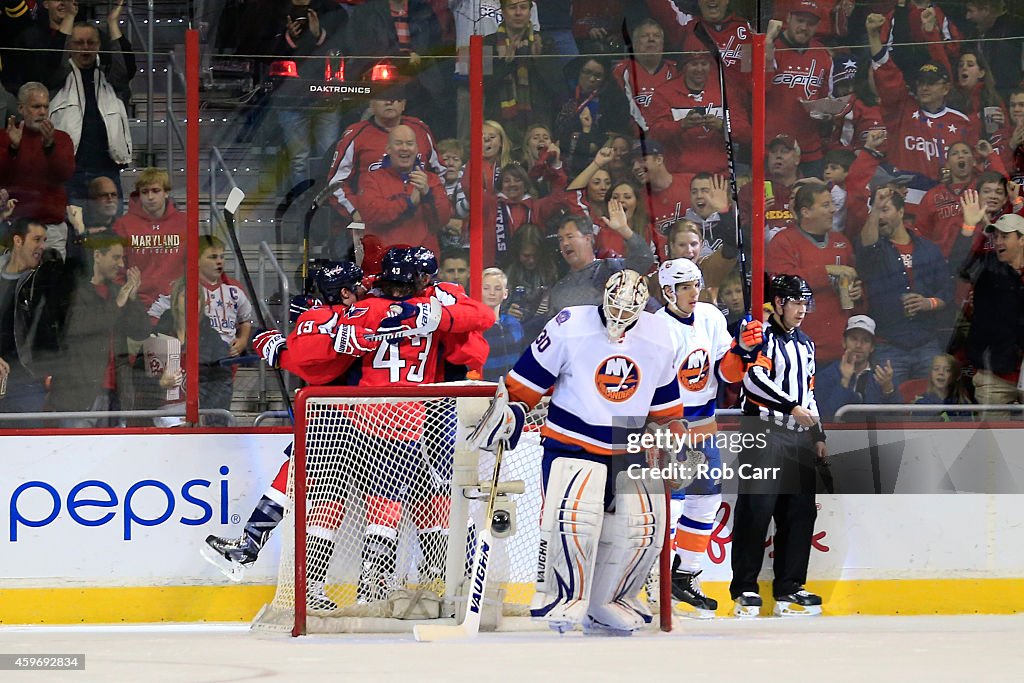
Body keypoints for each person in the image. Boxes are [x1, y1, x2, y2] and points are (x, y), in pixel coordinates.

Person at [483, 269, 683, 635]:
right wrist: (513, 410)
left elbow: (666, 407)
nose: (620, 318)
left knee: (641, 529)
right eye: (615, 307)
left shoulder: (658, 335)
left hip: (629, 445)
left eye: (629, 311)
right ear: (603, 297)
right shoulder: (569, 324)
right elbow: (527, 379)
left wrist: (670, 436)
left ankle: (611, 600)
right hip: (572, 439)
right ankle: (563, 598)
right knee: (573, 521)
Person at [655, 258, 763, 619]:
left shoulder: (711, 317)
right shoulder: (654, 328)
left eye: (696, 284)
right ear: (667, 291)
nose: (693, 291)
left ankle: (684, 575)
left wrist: (742, 352)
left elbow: (725, 374)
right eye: (685, 286)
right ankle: (653, 580)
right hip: (669, 424)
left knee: (706, 501)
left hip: (704, 421)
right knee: (670, 506)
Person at [731, 274, 827, 618]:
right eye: (796, 302)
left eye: (805, 303)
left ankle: (790, 588)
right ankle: (744, 588)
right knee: (756, 511)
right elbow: (753, 380)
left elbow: (810, 392)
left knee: (799, 513)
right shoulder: (761, 338)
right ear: (780, 303)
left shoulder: (807, 344)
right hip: (764, 433)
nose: (802, 310)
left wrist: (817, 433)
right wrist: (791, 407)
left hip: (797, 437)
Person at [48, 231, 149, 426]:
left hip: (114, 395)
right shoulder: (75, 289)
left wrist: (133, 298)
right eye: (116, 257)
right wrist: (118, 303)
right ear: (97, 255)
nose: (121, 265)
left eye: (123, 258)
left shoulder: (116, 292)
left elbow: (141, 330)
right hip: (78, 396)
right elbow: (78, 326)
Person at [856, 187, 951, 389]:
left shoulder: (929, 249)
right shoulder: (875, 248)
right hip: (887, 345)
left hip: (926, 344)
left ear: (900, 212)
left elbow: (946, 292)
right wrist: (876, 207)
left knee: (932, 409)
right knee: (889, 411)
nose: (880, 216)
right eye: (876, 210)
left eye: (886, 210)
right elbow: (866, 246)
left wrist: (929, 303)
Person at [865, 12, 978, 183]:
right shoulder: (901, 109)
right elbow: (887, 75)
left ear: (946, 88)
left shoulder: (962, 122)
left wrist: (931, 31)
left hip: (943, 200)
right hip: (904, 197)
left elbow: (972, 168)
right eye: (921, 83)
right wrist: (873, 36)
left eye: (931, 83)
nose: (924, 88)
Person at [766, 180, 863, 365]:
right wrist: (826, 272)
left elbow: (857, 287)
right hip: (799, 350)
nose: (833, 210)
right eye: (826, 205)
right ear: (806, 212)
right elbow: (781, 286)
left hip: (839, 349)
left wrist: (858, 293)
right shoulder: (783, 241)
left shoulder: (841, 242)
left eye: (832, 204)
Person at [48, 11, 134, 209]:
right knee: (71, 234)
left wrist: (113, 23)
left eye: (90, 42)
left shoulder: (112, 80)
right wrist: (69, 17)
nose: (85, 47)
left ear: (98, 46)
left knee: (110, 235)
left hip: (108, 170)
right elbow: (55, 60)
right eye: (78, 43)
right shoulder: (56, 80)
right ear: (69, 46)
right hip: (69, 174)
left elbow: (126, 67)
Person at [325, 89, 443, 224]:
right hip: (374, 222)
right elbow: (336, 184)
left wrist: (444, 211)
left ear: (404, 104)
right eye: (382, 97)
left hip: (419, 223)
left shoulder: (421, 130)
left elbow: (444, 174)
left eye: (396, 97)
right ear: (371, 103)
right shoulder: (356, 135)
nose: (389, 102)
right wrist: (355, 212)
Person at [269, 0, 348, 191]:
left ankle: (325, 207)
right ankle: (300, 208)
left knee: (328, 156)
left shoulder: (332, 10)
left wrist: (319, 35)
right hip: (290, 98)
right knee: (299, 160)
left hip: (326, 96)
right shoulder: (276, 11)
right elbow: (266, 50)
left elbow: (345, 46)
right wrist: (290, 37)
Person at [0, 218, 65, 424]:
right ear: (18, 241)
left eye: (44, 240)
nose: (42, 246)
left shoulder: (42, 279)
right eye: (36, 239)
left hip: (26, 380)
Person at [0, 82, 75, 258]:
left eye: (45, 107)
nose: (42, 112)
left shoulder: (62, 139)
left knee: (52, 283)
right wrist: (13, 148)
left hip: (52, 230)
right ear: (21, 108)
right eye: (36, 107)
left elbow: (65, 174)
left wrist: (50, 147)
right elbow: (2, 177)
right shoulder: (5, 137)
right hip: (16, 228)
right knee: (12, 284)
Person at [353, 124, 450, 255]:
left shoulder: (431, 180)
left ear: (416, 150)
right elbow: (371, 214)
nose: (404, 148)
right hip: (385, 260)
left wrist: (428, 194)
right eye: (399, 143)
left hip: (422, 261)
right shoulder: (371, 179)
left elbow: (442, 220)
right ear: (388, 149)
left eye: (409, 144)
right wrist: (408, 204)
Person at [959, 212, 1024, 407]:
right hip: (993, 376)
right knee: (992, 436)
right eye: (995, 236)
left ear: (1022, 239)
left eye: (1005, 236)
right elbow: (959, 266)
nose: (998, 242)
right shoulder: (986, 266)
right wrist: (968, 229)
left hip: (1018, 367)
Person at [547, 212, 654, 316]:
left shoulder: (612, 268)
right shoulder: (558, 290)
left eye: (570, 237)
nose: (565, 243)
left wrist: (624, 230)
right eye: (561, 240)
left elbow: (644, 260)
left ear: (587, 238)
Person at [113, 168, 186, 311]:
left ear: (166, 193)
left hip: (176, 304)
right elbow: (116, 269)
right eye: (145, 192)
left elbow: (195, 264)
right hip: (137, 304)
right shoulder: (123, 224)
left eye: (156, 191)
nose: (150, 197)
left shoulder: (184, 223)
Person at [814, 315, 898, 421]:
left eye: (865, 340)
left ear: (872, 347)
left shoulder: (882, 376)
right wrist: (845, 382)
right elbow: (825, 417)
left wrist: (888, 390)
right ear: (844, 342)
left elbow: (897, 420)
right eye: (853, 339)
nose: (858, 345)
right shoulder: (827, 375)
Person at [480, 266, 523, 381]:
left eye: (498, 288)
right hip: (482, 389)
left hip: (512, 387)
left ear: (505, 293)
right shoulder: (474, 326)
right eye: (486, 288)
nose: (492, 293)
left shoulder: (513, 324)